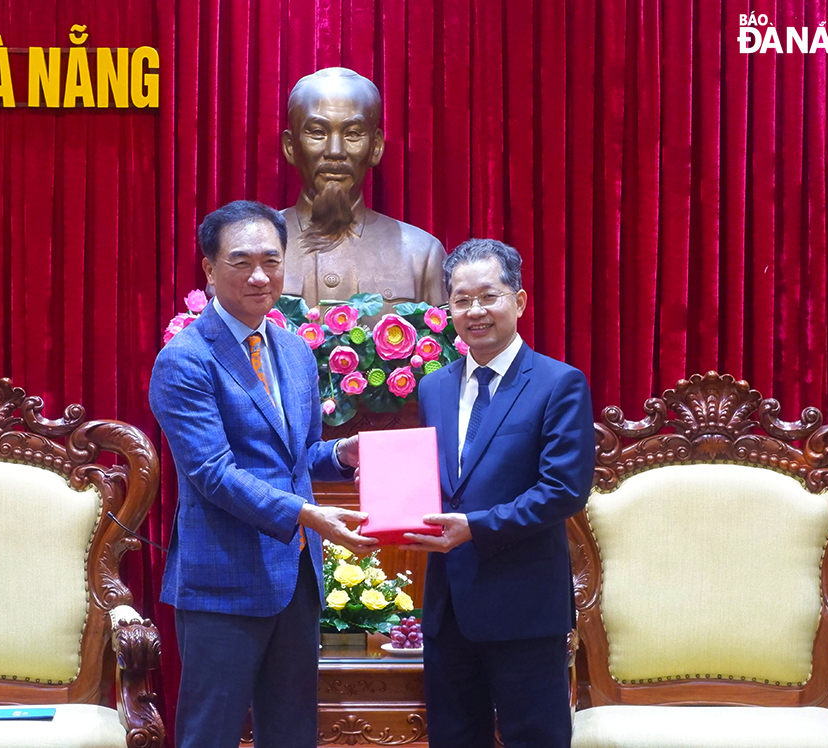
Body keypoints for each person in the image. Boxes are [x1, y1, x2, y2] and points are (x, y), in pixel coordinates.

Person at [149, 200, 378, 748]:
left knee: (293, 731)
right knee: (212, 733)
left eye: (271, 261)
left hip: (296, 576)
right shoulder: (185, 359)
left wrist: (341, 453)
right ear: (208, 268)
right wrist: (309, 515)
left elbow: (293, 458)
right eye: (241, 261)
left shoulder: (295, 351)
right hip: (222, 581)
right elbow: (213, 473)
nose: (259, 276)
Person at [400, 239, 595, 748]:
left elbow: (564, 490)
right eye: (461, 300)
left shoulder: (558, 383)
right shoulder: (433, 388)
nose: (475, 311)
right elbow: (439, 481)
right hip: (448, 608)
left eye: (488, 296)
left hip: (524, 608)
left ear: (520, 301)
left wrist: (477, 528)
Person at [280, 67, 447, 315]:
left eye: (352, 134)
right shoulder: (250, 249)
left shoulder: (422, 255)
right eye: (317, 132)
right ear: (291, 146)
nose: (335, 151)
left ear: (376, 147)